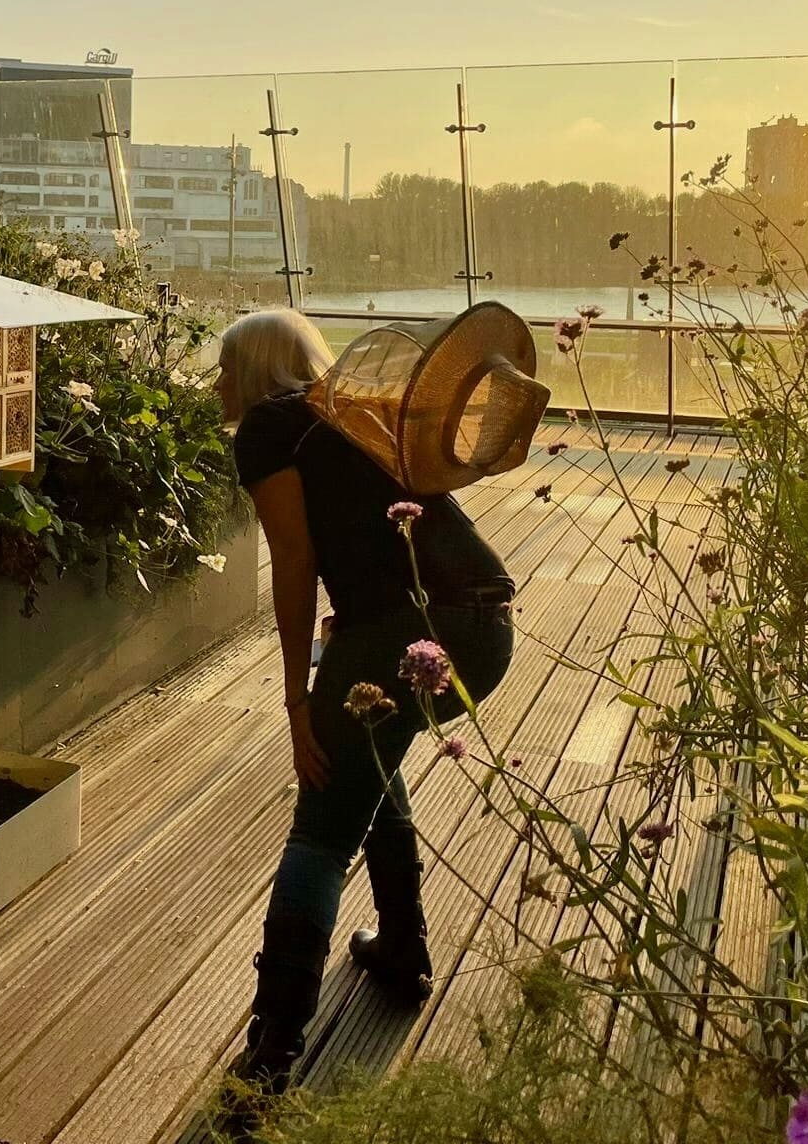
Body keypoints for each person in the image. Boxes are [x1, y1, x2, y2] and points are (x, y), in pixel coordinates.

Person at [210, 307, 517, 1108]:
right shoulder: (352, 415)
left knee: (318, 825)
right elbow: (382, 533)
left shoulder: (270, 431)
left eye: (223, 367)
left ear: (254, 371)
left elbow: (295, 560)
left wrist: (293, 696)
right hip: (486, 628)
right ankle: (404, 947)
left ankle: (270, 1055)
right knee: (370, 756)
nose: (215, 383)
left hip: (410, 629)